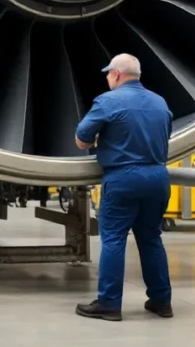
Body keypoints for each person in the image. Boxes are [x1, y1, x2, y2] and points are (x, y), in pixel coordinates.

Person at [73, 53, 173, 322]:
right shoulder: (160, 102)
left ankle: (109, 304)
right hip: (157, 177)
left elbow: (81, 139)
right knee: (151, 238)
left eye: (108, 74)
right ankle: (162, 301)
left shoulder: (108, 101)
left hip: (123, 178)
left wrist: (101, 139)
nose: (107, 78)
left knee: (114, 240)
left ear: (117, 74)